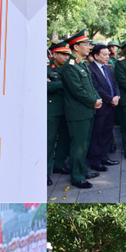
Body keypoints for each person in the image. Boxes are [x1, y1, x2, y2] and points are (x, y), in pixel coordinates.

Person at [61, 30, 102, 190]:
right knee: (78, 145)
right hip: (78, 112)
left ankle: (82, 171)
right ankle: (77, 177)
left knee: (84, 144)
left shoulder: (80, 64)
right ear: (76, 47)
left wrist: (97, 99)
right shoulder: (70, 66)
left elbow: (90, 86)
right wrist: (93, 101)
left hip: (87, 110)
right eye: (86, 44)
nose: (89, 47)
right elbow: (77, 90)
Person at [87, 44, 120, 172]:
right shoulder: (90, 69)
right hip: (101, 106)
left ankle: (104, 156)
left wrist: (117, 96)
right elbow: (96, 88)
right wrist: (110, 99)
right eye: (104, 54)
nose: (108, 57)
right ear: (96, 56)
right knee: (97, 134)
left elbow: (114, 83)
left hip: (111, 105)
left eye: (108, 54)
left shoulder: (108, 68)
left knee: (107, 132)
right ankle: (95, 160)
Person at [47, 41, 71, 186]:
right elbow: (46, 86)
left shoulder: (68, 68)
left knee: (64, 138)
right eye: (63, 54)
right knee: (49, 141)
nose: (66, 57)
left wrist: (56, 84)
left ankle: (59, 164)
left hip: (66, 108)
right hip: (52, 109)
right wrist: (66, 84)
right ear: (54, 54)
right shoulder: (47, 68)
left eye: (68, 54)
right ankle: (45, 172)